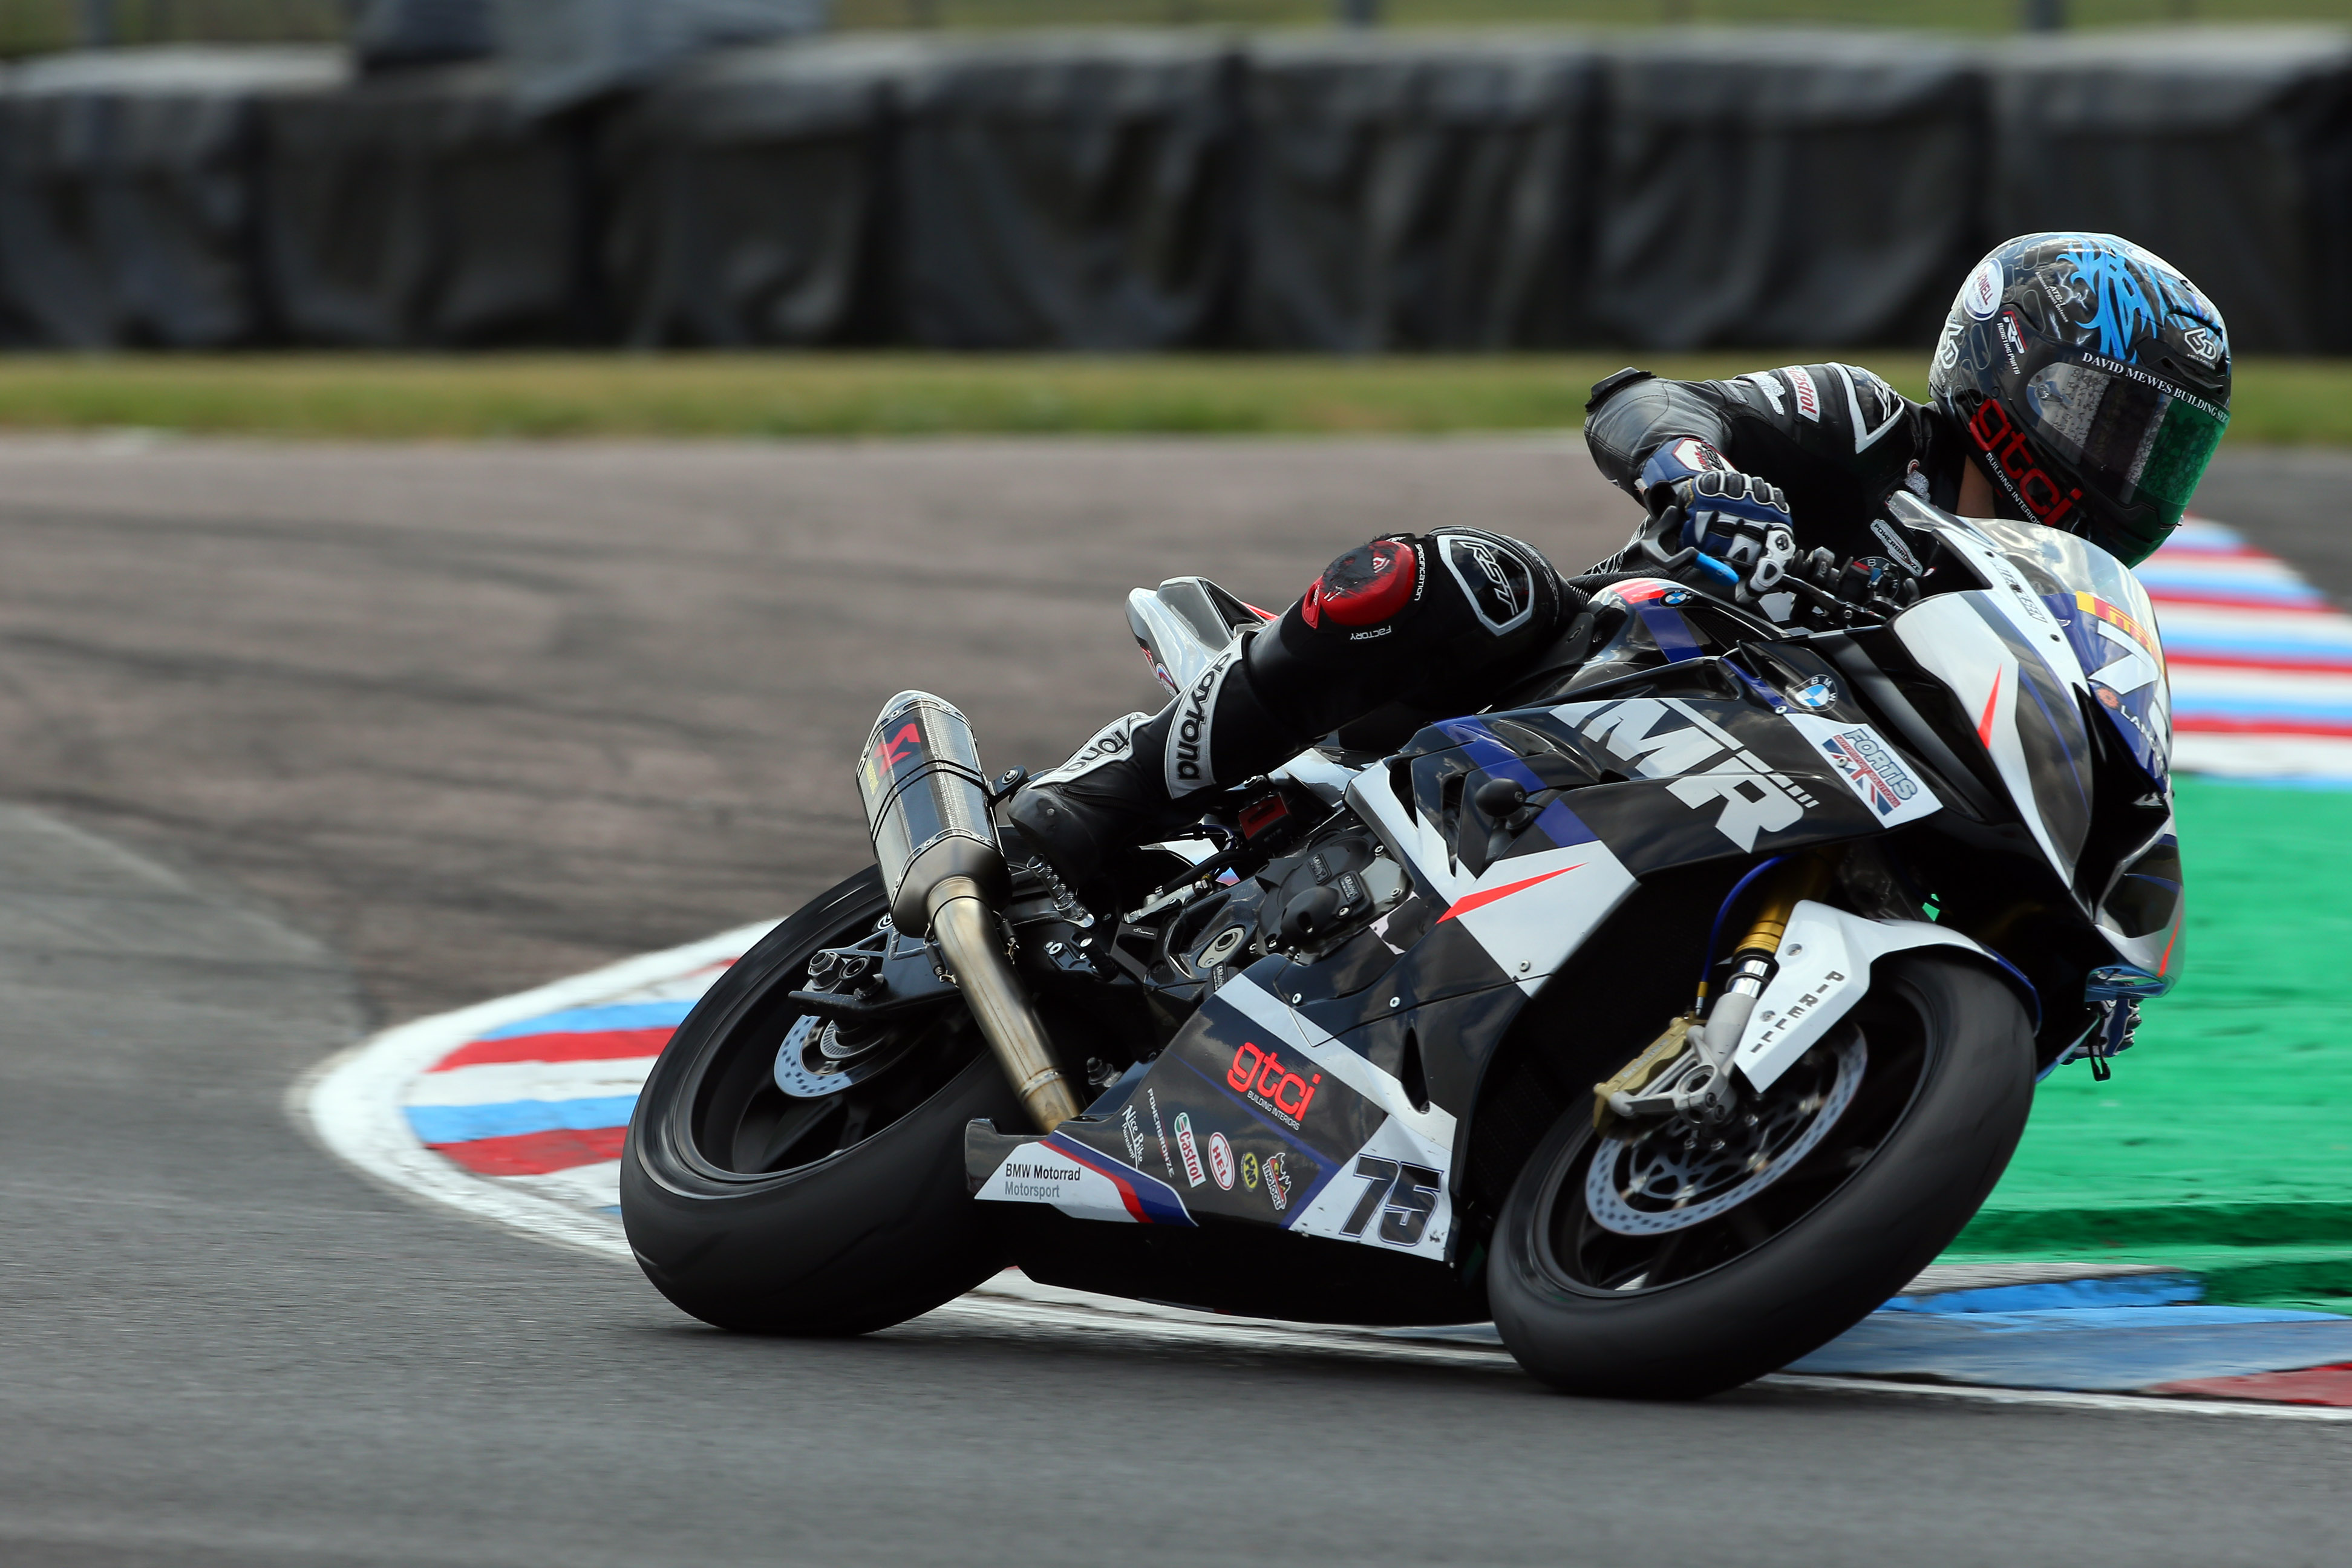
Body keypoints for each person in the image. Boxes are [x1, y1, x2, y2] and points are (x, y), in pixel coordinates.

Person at [1008, 232, 2233, 895]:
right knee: (1463, 579)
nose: (2129, 474)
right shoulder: (1867, 428)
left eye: (2164, 452)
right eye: (2111, 420)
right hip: (1584, 684)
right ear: (2010, 365)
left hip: (1780, 802)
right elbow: (1646, 400)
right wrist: (1698, 478)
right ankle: (1090, 806)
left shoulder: (2048, 610)